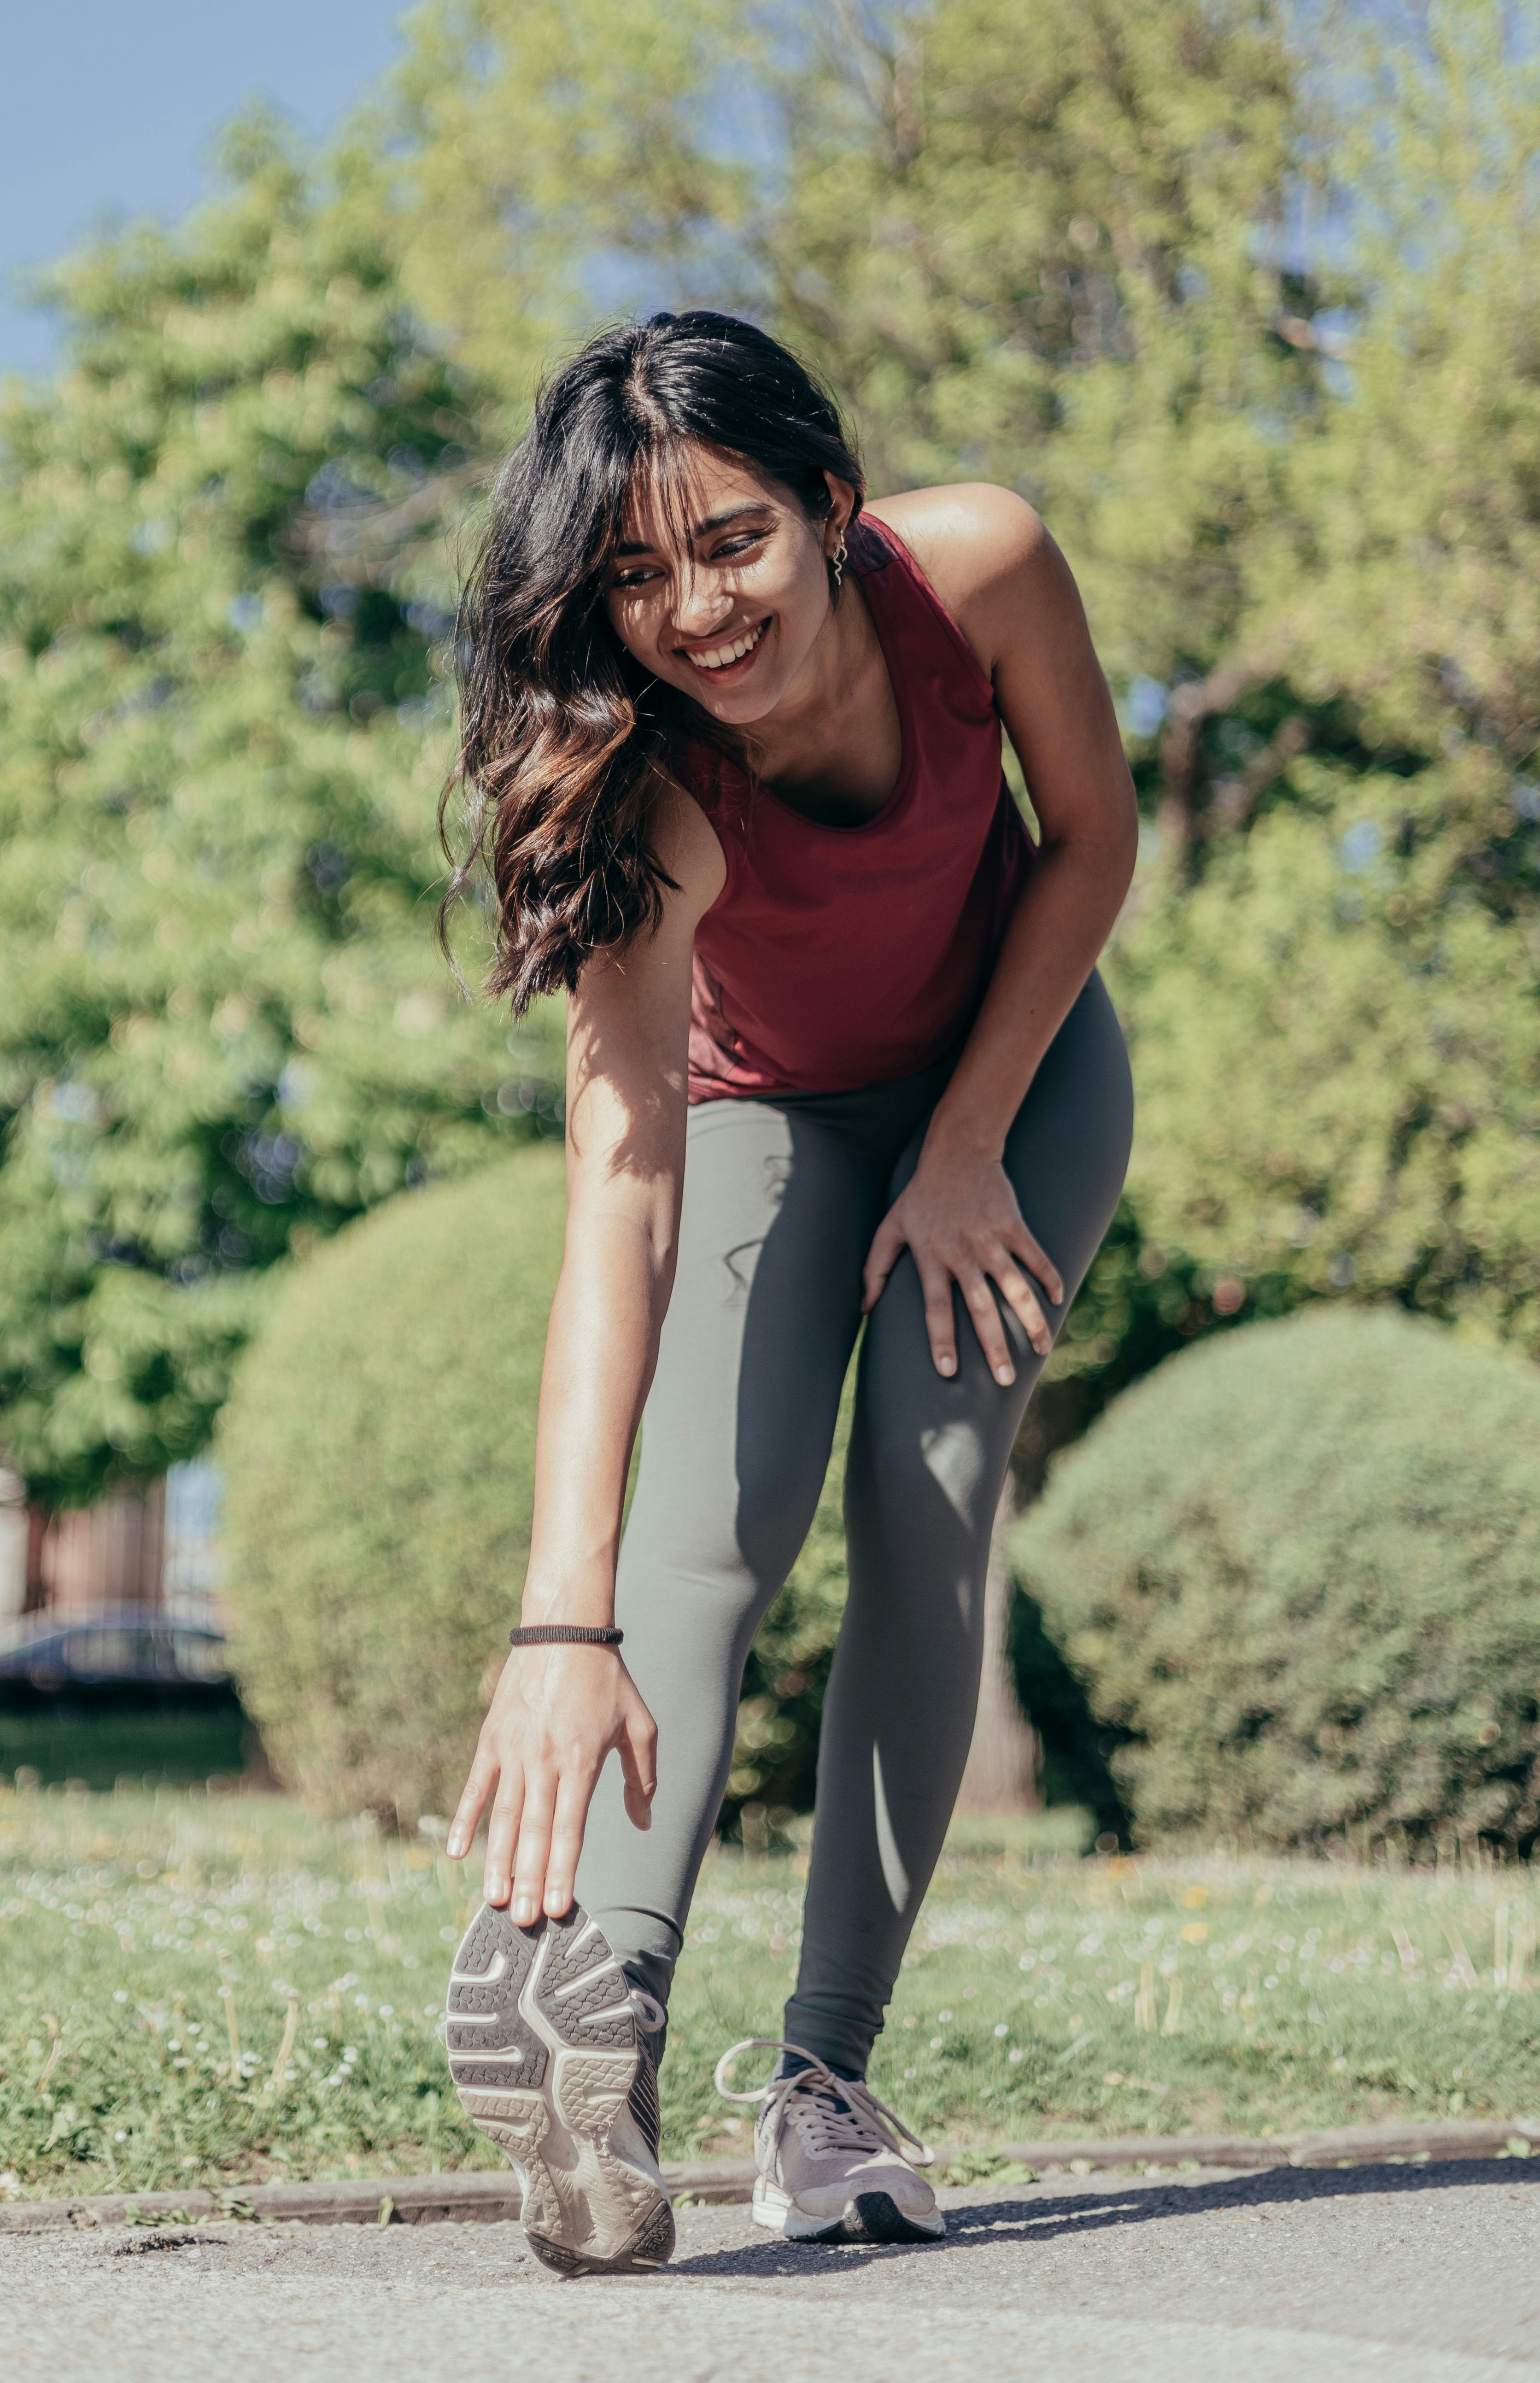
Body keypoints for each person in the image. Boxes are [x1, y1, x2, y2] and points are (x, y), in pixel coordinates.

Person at [438, 311, 1136, 2275]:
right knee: (705, 1531)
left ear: (830, 504)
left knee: (924, 1506)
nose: (691, 610)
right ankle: (599, 2032)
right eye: (635, 576)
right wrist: (553, 1616)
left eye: (730, 539)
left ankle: (823, 2084)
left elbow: (1089, 843)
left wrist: (968, 1135)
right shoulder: (640, 797)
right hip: (773, 1118)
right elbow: (625, 1188)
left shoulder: (977, 566)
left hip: (1018, 1071)